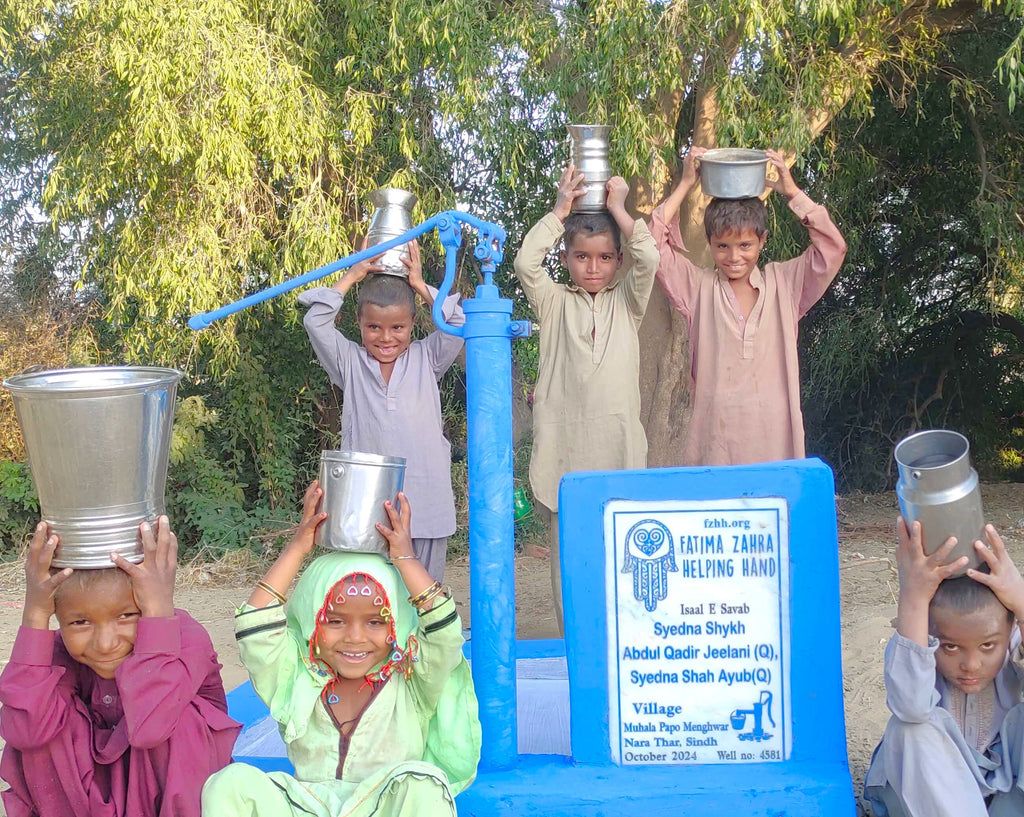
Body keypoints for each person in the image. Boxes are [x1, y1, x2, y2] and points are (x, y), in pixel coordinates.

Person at [201, 481, 480, 817]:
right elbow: (256, 627)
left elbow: (444, 632)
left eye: (376, 622)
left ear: (397, 630)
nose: (355, 637)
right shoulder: (295, 676)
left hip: (384, 806)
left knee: (422, 782)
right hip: (308, 806)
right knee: (229, 784)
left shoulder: (413, 678)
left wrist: (405, 558)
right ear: (310, 623)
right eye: (335, 621)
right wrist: (297, 549)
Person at [0, 518, 240, 817]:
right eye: (79, 622)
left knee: (178, 720)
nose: (104, 643)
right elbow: (25, 733)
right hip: (88, 802)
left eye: (127, 615)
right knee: (41, 713)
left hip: (171, 800)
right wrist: (35, 612)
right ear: (57, 616)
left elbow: (150, 730)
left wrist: (156, 612)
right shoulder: (62, 652)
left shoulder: (186, 639)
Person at [514, 165, 659, 633]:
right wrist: (560, 210)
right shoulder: (554, 302)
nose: (592, 268)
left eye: (603, 258)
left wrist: (618, 208)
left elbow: (650, 258)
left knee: (623, 559)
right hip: (565, 456)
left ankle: (623, 642)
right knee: (569, 566)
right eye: (581, 257)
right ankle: (573, 646)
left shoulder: (628, 303)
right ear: (567, 257)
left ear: (617, 260)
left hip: (618, 452)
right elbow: (523, 264)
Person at [650, 148, 847, 466]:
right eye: (722, 247)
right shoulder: (698, 288)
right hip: (715, 445)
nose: (734, 257)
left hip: (774, 441)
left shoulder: (785, 284)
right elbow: (651, 245)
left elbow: (833, 249)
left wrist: (793, 193)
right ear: (710, 243)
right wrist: (686, 184)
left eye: (745, 245)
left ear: (763, 241)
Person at [298, 240, 463, 583]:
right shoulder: (349, 363)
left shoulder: (427, 357)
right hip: (366, 509)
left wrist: (418, 284)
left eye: (397, 328)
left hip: (426, 505)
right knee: (374, 602)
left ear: (414, 324)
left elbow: (458, 323)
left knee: (425, 598)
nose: (386, 337)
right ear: (358, 324)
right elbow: (316, 321)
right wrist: (352, 275)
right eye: (374, 327)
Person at [863, 518, 1024, 816]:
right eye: (950, 647)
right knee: (909, 728)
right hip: (928, 800)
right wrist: (913, 598)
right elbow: (910, 706)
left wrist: (1022, 603)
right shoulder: (915, 645)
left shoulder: (1014, 641)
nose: (971, 665)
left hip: (1002, 800)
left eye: (988, 645)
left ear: (1011, 629)